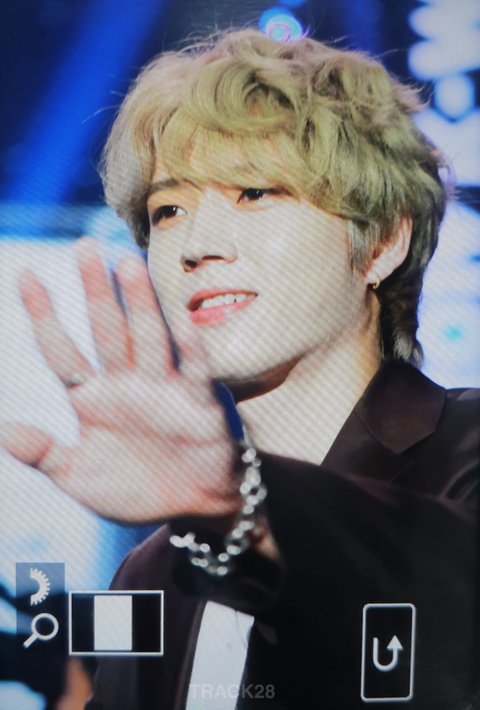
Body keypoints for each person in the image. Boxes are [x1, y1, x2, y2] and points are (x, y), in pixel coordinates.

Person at [0, 29, 479, 709]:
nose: (196, 244)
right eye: (169, 210)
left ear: (380, 242)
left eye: (254, 192)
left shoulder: (465, 452)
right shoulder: (152, 574)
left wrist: (239, 507)